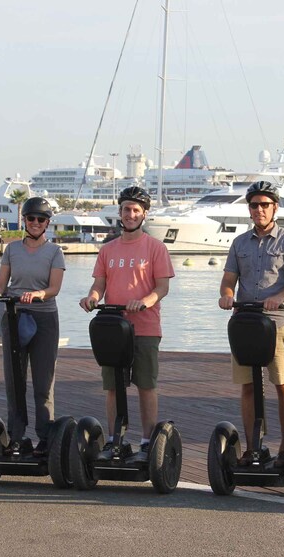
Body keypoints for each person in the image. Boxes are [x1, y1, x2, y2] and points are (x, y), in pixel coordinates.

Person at [79, 186, 175, 463]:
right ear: (119, 213)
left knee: (146, 384)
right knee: (112, 385)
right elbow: (99, 284)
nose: (130, 214)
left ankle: (147, 441)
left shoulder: (155, 248)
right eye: (126, 209)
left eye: (135, 210)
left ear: (144, 214)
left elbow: (162, 288)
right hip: (113, 326)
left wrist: (144, 301)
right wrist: (92, 298)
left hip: (145, 326)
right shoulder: (108, 249)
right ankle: (114, 439)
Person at [218, 180, 284, 469]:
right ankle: (253, 446)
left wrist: (279, 297)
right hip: (245, 322)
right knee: (247, 386)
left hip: (278, 321)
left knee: (283, 383)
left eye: (265, 205)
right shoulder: (239, 243)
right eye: (254, 205)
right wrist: (227, 296)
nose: (259, 210)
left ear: (275, 208)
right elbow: (229, 279)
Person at [0, 196, 65, 457]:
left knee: (42, 382)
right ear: (24, 221)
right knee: (14, 381)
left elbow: (54, 288)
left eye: (40, 219)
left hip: (44, 319)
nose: (35, 223)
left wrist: (38, 294)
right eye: (31, 218)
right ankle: (16, 436)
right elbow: (0, 284)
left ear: (47, 223)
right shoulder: (12, 249)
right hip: (15, 317)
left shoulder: (55, 252)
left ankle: (45, 436)